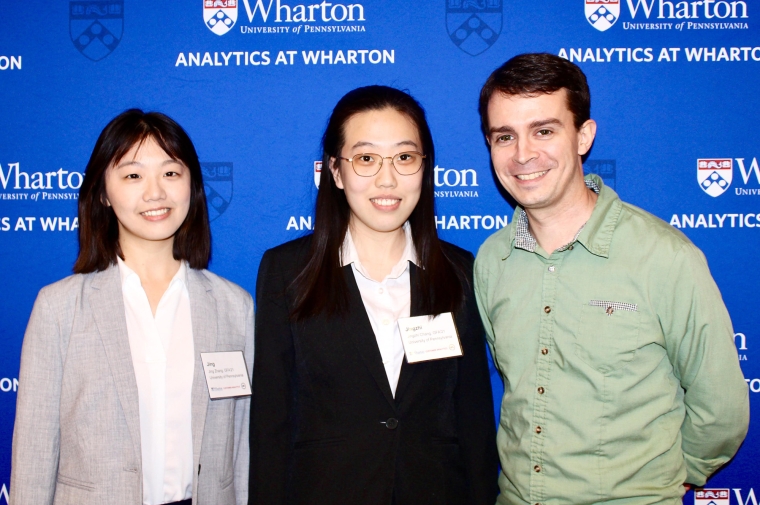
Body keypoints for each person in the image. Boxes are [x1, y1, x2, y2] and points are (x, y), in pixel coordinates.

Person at [474, 53, 749, 504]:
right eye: (505, 136)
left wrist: (673, 479)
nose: (523, 155)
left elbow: (721, 406)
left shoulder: (664, 256)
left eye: (544, 130)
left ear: (583, 136)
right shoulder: (491, 260)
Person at [249, 85, 499, 505]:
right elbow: (271, 425)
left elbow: (472, 421)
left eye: (405, 157)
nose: (388, 178)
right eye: (366, 159)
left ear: (424, 167)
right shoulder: (287, 271)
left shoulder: (460, 271)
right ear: (335, 171)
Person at [10, 109, 253, 505]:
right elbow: (35, 451)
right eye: (133, 175)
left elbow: (241, 445)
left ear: (191, 185)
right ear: (103, 192)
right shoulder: (59, 307)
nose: (155, 192)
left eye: (171, 173)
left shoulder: (233, 306)